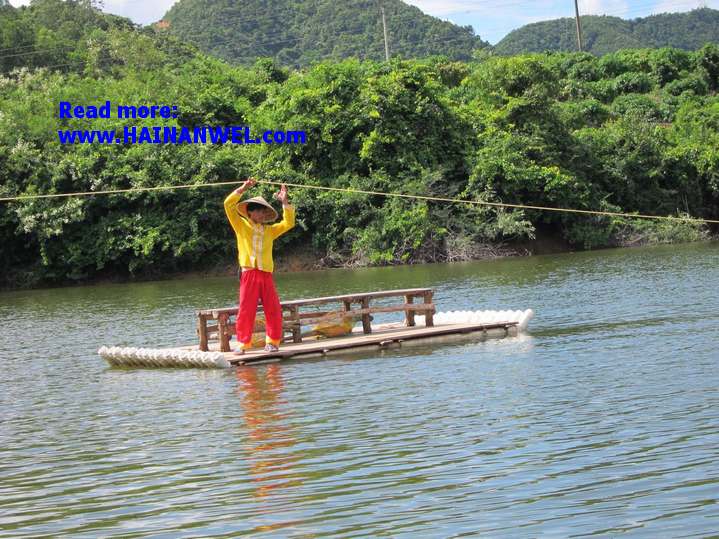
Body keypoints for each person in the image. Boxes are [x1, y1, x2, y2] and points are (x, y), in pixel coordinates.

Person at [224, 178, 295, 354]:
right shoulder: (241, 225)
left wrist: (285, 201)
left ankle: (272, 342)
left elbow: (289, 223)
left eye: (265, 212)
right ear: (251, 212)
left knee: (273, 308)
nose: (263, 215)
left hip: (266, 274)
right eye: (260, 212)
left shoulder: (269, 231)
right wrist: (243, 188)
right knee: (246, 310)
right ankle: (243, 343)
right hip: (249, 273)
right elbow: (228, 204)